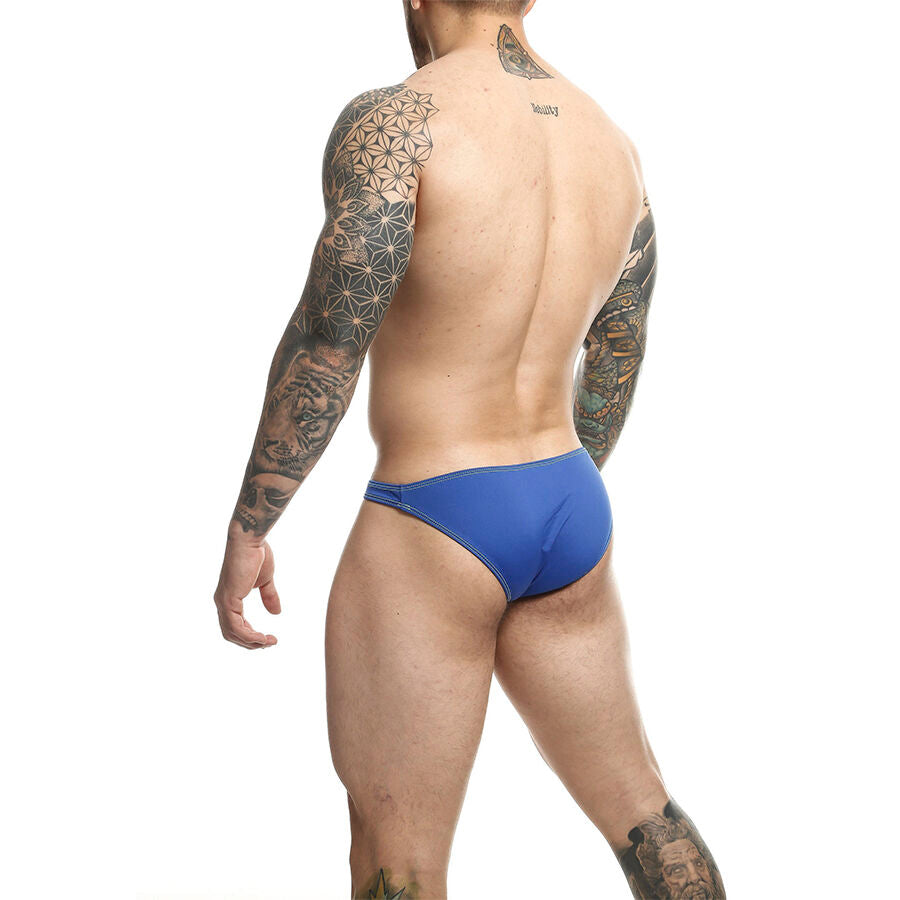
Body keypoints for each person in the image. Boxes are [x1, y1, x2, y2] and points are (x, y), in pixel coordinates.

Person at [213, 2, 726, 897]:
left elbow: (331, 336)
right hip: (568, 503)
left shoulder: (399, 121)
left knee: (398, 858)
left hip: (434, 514)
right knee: (643, 810)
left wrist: (252, 522)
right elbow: (618, 348)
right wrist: (542, 502)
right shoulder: (611, 143)